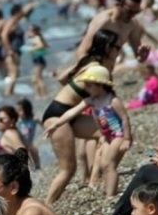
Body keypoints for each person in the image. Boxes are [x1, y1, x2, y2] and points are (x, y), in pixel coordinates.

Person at [43, 29, 120, 205]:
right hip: (58, 114)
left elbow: (62, 78)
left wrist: (74, 91)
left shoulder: (89, 63)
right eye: (116, 46)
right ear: (107, 47)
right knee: (68, 169)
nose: (119, 50)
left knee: (107, 134)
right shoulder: (95, 68)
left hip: (70, 112)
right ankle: (47, 205)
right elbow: (106, 96)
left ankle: (95, 180)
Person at [44, 65, 131, 197]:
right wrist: (57, 124)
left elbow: (125, 119)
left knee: (109, 164)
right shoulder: (91, 100)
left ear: (100, 85)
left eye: (89, 85)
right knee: (103, 165)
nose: (86, 88)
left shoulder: (112, 101)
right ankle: (109, 192)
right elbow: (72, 112)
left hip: (118, 135)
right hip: (107, 136)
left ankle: (110, 196)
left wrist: (127, 138)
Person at [71, 0, 154, 76]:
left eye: (136, 12)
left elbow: (139, 57)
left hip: (107, 73)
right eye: (129, 11)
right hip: (89, 71)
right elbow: (81, 51)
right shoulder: (103, 21)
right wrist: (91, 72)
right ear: (118, 4)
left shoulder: (132, 25)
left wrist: (143, 56)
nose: (132, 15)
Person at [0, 105, 39, 170]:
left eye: (1, 119)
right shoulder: (14, 131)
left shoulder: (9, 133)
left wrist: (28, 173)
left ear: (12, 121)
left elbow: (22, 152)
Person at [26, 24, 49, 98]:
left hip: (39, 61)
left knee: (38, 79)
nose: (28, 31)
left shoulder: (36, 37)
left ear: (34, 31)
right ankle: (38, 95)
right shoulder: (34, 38)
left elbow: (41, 45)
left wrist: (32, 49)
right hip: (37, 61)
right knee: (35, 79)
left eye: (30, 30)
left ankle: (43, 95)